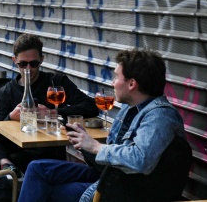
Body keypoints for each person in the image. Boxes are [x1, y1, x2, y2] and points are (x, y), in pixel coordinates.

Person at [16, 49, 186, 202]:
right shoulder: (129, 108)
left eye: (116, 77)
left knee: (46, 189)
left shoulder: (160, 116)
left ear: (131, 84)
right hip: (109, 176)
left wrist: (96, 146)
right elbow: (109, 159)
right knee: (37, 168)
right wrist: (84, 143)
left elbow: (140, 159)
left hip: (128, 189)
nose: (112, 83)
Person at [0, 33, 98, 174]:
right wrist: (11, 117)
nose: (28, 69)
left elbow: (91, 106)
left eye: (33, 63)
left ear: (41, 60)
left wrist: (52, 113)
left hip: (46, 151)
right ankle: (5, 163)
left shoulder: (56, 82)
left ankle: (3, 170)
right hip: (15, 149)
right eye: (23, 64)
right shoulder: (6, 91)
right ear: (14, 61)